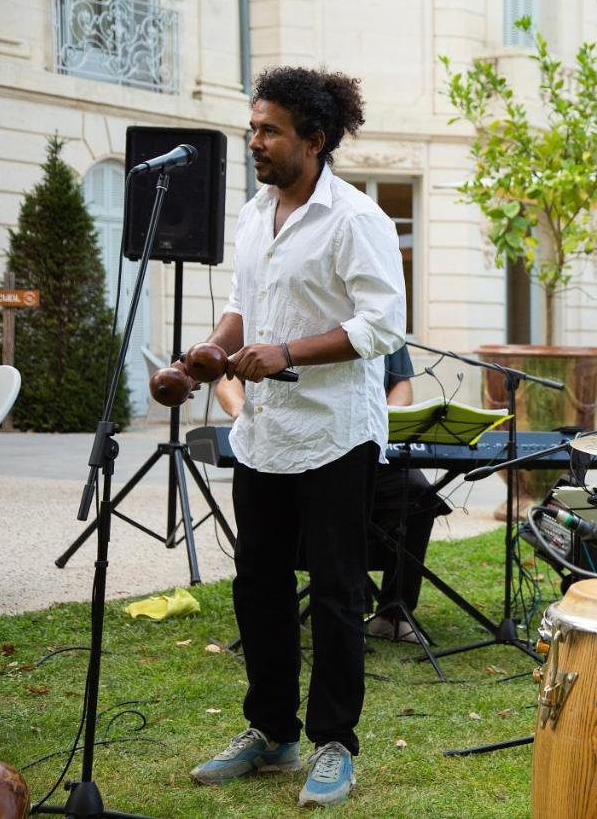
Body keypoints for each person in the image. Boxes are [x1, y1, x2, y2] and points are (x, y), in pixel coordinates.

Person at [187, 66, 406, 808]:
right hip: (264, 434)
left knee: (340, 593)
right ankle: (272, 732)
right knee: (259, 590)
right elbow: (240, 306)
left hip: (336, 435)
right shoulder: (254, 212)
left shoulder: (357, 220)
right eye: (253, 127)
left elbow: (381, 325)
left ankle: (334, 744)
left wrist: (288, 353)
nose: (254, 140)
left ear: (314, 140)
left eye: (269, 129)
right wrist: (211, 351)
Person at [214, 346, 451, 644]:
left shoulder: (376, 314)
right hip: (289, 444)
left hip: (361, 440)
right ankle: (335, 606)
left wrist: (386, 418)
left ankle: (393, 613)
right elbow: (227, 380)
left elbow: (401, 385)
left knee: (418, 495)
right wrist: (241, 412)